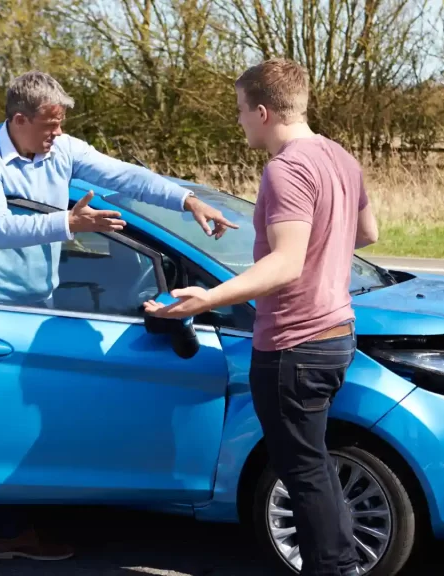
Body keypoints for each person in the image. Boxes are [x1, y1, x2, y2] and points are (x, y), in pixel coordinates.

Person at [0, 70, 237, 575]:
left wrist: (187, 201)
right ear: (19, 120)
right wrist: (70, 223)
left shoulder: (62, 149)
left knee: (25, 422)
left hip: (40, 305)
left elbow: (124, 175)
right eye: (50, 125)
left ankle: (12, 532)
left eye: (60, 125)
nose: (57, 134)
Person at [144, 58, 378, 576]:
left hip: (294, 342)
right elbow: (366, 234)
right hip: (338, 331)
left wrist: (206, 298)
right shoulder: (340, 157)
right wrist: (321, 240)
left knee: (304, 470)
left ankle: (332, 569)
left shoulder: (285, 168)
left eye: (241, 111)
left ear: (265, 111)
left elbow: (285, 263)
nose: (240, 121)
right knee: (312, 464)